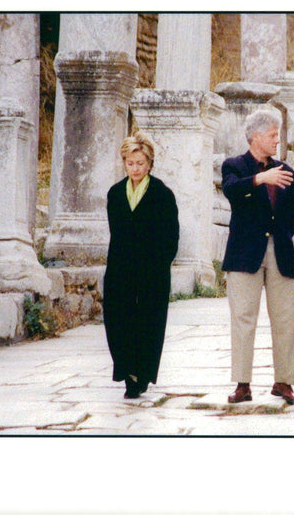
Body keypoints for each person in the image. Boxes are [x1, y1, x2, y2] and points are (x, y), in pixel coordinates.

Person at [221, 108, 294, 405]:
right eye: (272, 135)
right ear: (256, 136)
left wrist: (278, 236)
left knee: (287, 319)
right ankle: (243, 384)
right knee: (243, 318)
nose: (277, 141)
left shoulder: (287, 171)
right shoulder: (234, 165)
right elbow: (230, 191)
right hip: (244, 253)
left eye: (277, 135)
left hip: (279, 251)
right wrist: (260, 179)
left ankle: (284, 382)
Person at [103, 131, 179, 399]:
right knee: (117, 320)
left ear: (149, 164)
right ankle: (126, 368)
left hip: (152, 272)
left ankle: (140, 374)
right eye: (130, 163)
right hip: (120, 271)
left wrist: (157, 266)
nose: (135, 168)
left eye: (140, 163)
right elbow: (116, 233)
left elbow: (171, 237)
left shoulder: (162, 194)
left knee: (147, 323)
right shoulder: (114, 194)